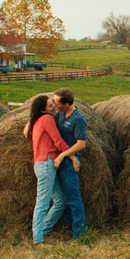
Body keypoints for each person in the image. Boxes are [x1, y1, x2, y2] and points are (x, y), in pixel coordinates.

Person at [26, 94, 78, 245]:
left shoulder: (36, 121)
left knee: (60, 201)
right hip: (47, 163)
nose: (53, 107)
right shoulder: (47, 119)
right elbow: (58, 141)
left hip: (42, 164)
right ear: (43, 110)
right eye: (50, 106)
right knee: (42, 203)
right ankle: (38, 240)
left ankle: (42, 231)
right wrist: (73, 156)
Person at [50, 88, 89, 239]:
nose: (54, 105)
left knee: (73, 198)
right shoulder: (59, 114)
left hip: (68, 163)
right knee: (60, 198)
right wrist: (29, 124)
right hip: (58, 160)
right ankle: (70, 226)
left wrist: (64, 156)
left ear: (66, 104)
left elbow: (81, 144)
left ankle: (81, 234)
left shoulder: (78, 119)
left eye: (57, 102)